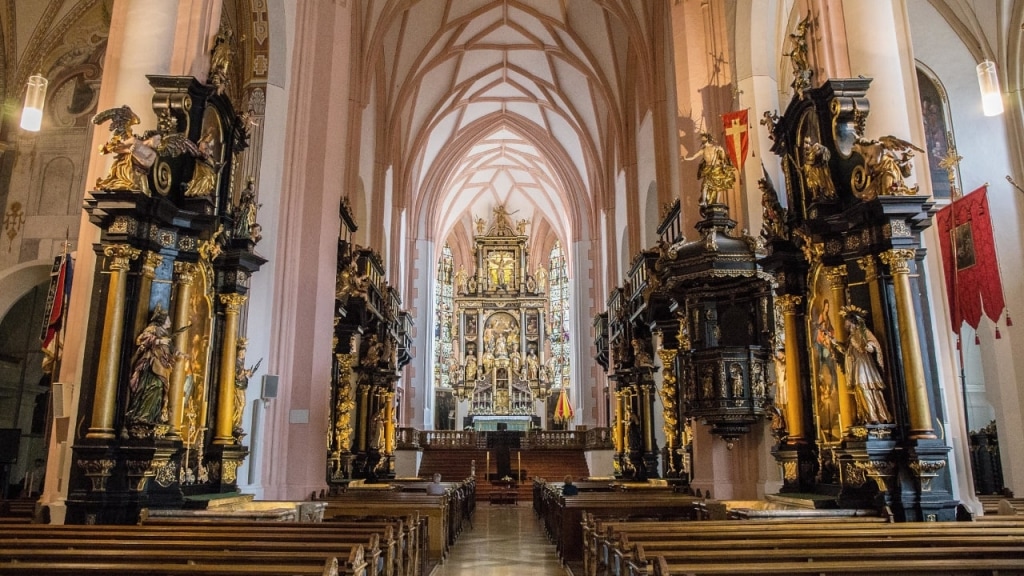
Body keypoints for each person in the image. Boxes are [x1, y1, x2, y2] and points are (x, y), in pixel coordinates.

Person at [837, 307, 892, 425]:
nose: (845, 324)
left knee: (866, 387)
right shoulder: (851, 337)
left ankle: (876, 416)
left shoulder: (863, 331)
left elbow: (873, 342)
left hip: (864, 364)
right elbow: (847, 350)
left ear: (852, 321)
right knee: (860, 389)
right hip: (855, 365)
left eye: (847, 321)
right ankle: (866, 416)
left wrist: (870, 347)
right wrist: (833, 342)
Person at [125, 307, 175, 429]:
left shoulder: (165, 334)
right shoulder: (153, 329)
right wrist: (158, 341)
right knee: (153, 386)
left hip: (162, 365)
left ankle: (152, 416)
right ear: (162, 320)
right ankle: (141, 415)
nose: (170, 322)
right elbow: (140, 340)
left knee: (160, 389)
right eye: (168, 319)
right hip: (152, 364)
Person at [684, 132, 735, 208]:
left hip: (716, 167)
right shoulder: (703, 150)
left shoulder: (715, 148)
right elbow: (694, 156)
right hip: (708, 169)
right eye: (702, 140)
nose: (702, 141)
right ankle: (704, 201)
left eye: (703, 140)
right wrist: (686, 158)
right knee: (705, 185)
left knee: (718, 185)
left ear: (707, 139)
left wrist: (722, 150)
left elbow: (722, 157)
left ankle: (717, 201)